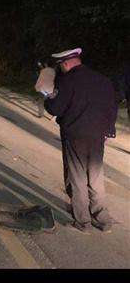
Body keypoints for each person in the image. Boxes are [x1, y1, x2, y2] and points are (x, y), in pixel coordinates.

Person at [43, 47, 118, 233]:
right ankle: (103, 220)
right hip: (98, 136)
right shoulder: (103, 80)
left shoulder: (68, 81)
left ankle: (83, 222)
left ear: (65, 64)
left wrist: (47, 98)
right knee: (96, 177)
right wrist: (108, 131)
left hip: (75, 135)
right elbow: (112, 108)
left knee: (77, 177)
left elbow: (55, 108)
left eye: (61, 66)